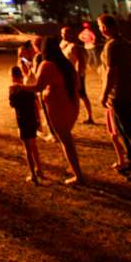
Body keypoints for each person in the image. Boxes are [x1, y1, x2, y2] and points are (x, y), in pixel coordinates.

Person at [35, 36, 84, 185]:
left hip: (58, 107)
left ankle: (78, 176)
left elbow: (38, 87)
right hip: (71, 105)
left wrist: (19, 87)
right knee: (67, 139)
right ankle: (74, 169)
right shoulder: (66, 64)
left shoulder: (47, 65)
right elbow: (78, 86)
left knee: (66, 141)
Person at [98, 14, 131, 180]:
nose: (100, 29)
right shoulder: (124, 42)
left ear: (106, 27)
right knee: (124, 129)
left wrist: (104, 94)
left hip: (119, 93)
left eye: (101, 26)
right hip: (129, 91)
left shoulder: (112, 46)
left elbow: (111, 72)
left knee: (129, 130)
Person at [8, 65, 44, 184]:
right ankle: (39, 170)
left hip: (22, 119)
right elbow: (36, 105)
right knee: (34, 146)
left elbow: (12, 104)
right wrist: (39, 121)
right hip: (32, 119)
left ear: (12, 77)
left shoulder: (13, 89)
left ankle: (33, 174)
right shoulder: (29, 87)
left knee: (28, 149)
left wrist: (12, 93)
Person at [60, 26, 94, 124]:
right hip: (67, 73)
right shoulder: (62, 44)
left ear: (71, 34)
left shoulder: (75, 46)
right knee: (68, 95)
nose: (63, 35)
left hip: (75, 74)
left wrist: (78, 76)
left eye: (66, 33)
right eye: (62, 33)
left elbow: (80, 62)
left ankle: (90, 116)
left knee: (82, 94)